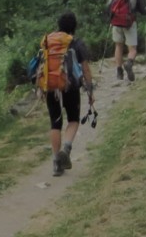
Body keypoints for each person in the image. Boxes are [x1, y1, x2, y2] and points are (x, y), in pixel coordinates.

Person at [43, 11, 94, 177]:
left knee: (55, 123)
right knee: (73, 120)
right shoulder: (76, 43)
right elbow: (85, 68)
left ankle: (56, 162)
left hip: (51, 87)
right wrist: (90, 90)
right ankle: (66, 148)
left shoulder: (49, 42)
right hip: (70, 87)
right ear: (74, 27)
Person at [107, 0, 145, 82]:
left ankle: (119, 72)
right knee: (132, 48)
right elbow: (137, 6)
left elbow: (109, 4)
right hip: (129, 22)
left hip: (116, 21)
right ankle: (129, 63)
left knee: (118, 46)